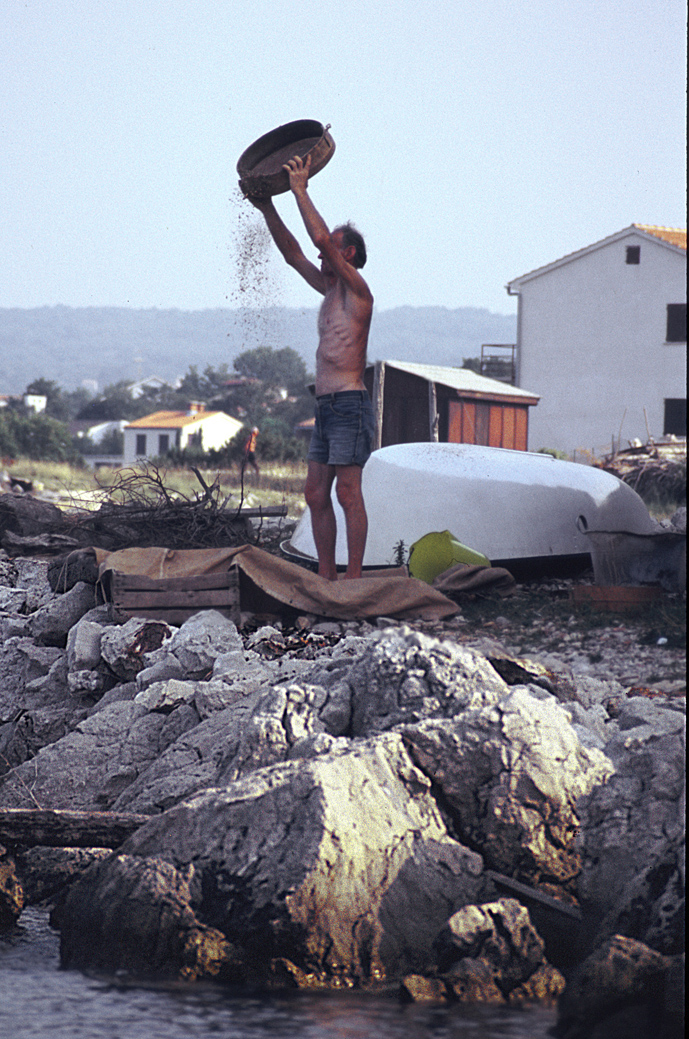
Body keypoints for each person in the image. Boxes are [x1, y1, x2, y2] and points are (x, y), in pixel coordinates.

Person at [247, 154, 374, 580]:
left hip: (350, 405)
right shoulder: (327, 289)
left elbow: (319, 242)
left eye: (333, 252)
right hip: (325, 407)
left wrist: (300, 189)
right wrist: (267, 206)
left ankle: (353, 581)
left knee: (348, 494)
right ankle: (326, 577)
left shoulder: (357, 290)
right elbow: (294, 254)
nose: (323, 259)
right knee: (315, 493)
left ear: (348, 254)